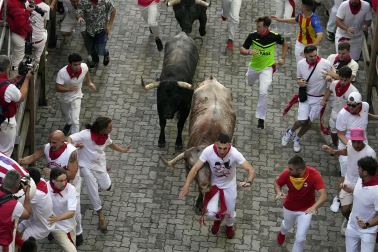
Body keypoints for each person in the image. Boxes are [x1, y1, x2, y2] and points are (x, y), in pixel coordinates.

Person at [178, 133, 256, 239]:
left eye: (225, 148)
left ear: (229, 145)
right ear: (215, 144)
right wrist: (187, 185)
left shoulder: (234, 153)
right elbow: (195, 168)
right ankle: (218, 219)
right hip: (214, 184)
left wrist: (249, 181)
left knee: (230, 212)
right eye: (219, 148)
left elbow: (250, 170)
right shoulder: (208, 151)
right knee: (210, 213)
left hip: (229, 185)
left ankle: (229, 226)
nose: (222, 151)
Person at [66, 116, 133, 232]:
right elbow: (69, 138)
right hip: (84, 164)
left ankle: (100, 185)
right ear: (102, 128)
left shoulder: (105, 136)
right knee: (89, 182)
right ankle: (100, 215)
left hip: (99, 163)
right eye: (110, 127)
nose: (112, 129)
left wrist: (122, 150)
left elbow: (109, 143)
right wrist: (72, 148)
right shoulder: (86, 134)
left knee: (106, 186)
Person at [19, 130, 84, 246]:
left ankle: (78, 232)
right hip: (55, 183)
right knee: (51, 206)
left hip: (70, 185)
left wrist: (54, 172)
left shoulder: (71, 153)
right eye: (50, 142)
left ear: (62, 142)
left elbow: (72, 173)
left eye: (54, 142)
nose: (51, 145)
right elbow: (33, 157)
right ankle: (52, 228)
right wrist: (18, 162)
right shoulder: (47, 148)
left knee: (76, 212)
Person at [323, 128, 376, 235]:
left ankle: (361, 226)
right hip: (349, 181)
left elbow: (374, 171)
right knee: (345, 210)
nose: (356, 144)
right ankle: (348, 219)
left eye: (359, 142)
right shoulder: (350, 144)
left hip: (362, 185)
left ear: (363, 140)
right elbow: (347, 151)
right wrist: (335, 151)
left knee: (361, 209)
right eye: (354, 141)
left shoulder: (370, 153)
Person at [240, 15, 288, 129]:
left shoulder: (274, 37)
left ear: (266, 27)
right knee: (249, 82)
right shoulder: (252, 36)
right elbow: (242, 50)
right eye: (257, 26)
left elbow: (285, 43)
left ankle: (261, 118)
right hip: (253, 67)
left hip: (267, 68)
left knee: (263, 92)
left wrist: (283, 58)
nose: (257, 28)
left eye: (259, 26)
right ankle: (249, 78)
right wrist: (249, 52)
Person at [282, 45, 332, 152]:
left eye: (315, 55)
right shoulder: (301, 64)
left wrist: (330, 77)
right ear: (305, 55)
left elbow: (334, 76)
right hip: (306, 97)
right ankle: (290, 132)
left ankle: (297, 138)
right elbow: (299, 78)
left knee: (309, 123)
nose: (314, 58)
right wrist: (299, 82)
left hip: (319, 99)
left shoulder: (326, 63)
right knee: (302, 121)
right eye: (311, 56)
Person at [275, 155, 327, 251]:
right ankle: (282, 233)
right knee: (287, 226)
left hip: (306, 210)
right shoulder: (287, 174)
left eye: (291, 169)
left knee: (300, 238)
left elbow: (323, 195)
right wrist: (278, 191)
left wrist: (314, 207)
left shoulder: (314, 175)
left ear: (299, 170)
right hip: (289, 207)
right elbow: (278, 184)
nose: (288, 171)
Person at [340, 156, 378, 252]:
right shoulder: (361, 179)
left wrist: (367, 225)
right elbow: (361, 194)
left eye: (359, 167)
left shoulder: (376, 191)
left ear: (365, 172)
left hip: (368, 232)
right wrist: (350, 190)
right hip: (352, 227)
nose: (358, 169)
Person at [55, 53, 96, 135]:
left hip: (77, 96)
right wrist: (69, 89)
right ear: (70, 64)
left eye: (79, 64)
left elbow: (86, 71)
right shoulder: (62, 73)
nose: (78, 67)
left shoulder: (83, 67)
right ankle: (68, 123)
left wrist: (89, 83)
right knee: (65, 114)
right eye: (75, 65)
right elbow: (57, 88)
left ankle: (74, 141)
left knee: (76, 121)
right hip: (64, 98)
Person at [0, 55, 33, 156]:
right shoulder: (8, 88)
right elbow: (21, 97)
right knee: (6, 150)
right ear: (7, 69)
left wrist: (9, 80)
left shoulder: (7, 85)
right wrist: (27, 79)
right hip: (5, 121)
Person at [320, 66, 358, 146]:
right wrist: (324, 100)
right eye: (341, 79)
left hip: (346, 116)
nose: (343, 82)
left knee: (343, 134)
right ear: (338, 77)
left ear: (349, 79)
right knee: (333, 132)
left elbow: (356, 107)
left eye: (345, 80)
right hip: (335, 111)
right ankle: (334, 145)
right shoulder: (334, 84)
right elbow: (329, 90)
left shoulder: (353, 91)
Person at [76, 0, 116, 68]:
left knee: (100, 50)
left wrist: (110, 25)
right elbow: (79, 11)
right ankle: (95, 60)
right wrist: (79, 17)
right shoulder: (83, 1)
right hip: (90, 30)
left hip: (102, 30)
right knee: (91, 49)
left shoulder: (105, 1)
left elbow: (113, 10)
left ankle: (106, 53)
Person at [18, 167, 54, 241]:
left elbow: (16, 203)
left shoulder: (36, 194)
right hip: (33, 220)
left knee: (16, 240)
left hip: (41, 228)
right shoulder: (42, 181)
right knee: (14, 231)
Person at [0, 170, 32, 252]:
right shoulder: (15, 205)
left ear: (3, 180)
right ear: (18, 186)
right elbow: (27, 215)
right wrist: (27, 194)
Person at [48, 168, 77, 252]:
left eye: (65, 180)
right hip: (56, 227)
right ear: (53, 180)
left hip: (70, 225)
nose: (64, 183)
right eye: (61, 181)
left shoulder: (71, 189)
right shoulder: (45, 189)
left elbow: (71, 212)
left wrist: (56, 218)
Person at [7, 0, 35, 72]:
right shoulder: (18, 9)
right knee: (17, 63)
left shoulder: (14, 3)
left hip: (15, 34)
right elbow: (21, 26)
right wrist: (27, 12)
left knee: (14, 59)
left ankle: (12, 78)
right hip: (19, 36)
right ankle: (15, 81)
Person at [25, 0, 50, 66]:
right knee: (45, 31)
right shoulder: (46, 7)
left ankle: (33, 59)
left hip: (25, 40)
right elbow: (44, 23)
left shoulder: (24, 3)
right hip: (39, 41)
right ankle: (37, 59)